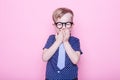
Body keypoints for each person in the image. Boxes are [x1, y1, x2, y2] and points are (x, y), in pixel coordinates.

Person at [42, 7, 83, 80]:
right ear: (55, 26)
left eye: (67, 24)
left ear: (72, 26)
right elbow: (45, 58)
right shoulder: (51, 39)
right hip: (51, 78)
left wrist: (65, 41)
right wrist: (58, 41)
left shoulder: (75, 41)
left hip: (70, 78)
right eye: (60, 24)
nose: (63, 27)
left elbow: (75, 60)